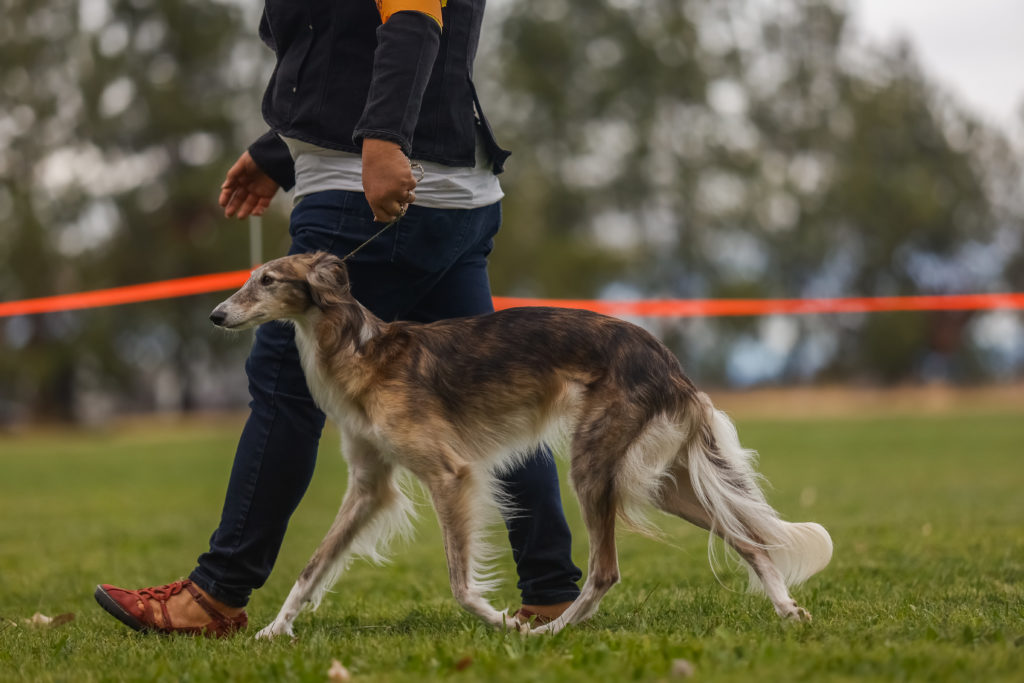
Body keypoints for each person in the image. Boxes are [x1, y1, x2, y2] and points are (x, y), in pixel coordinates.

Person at [94, 0, 581, 636]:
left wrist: (383, 144)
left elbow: (411, 15)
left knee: (283, 390)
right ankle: (551, 590)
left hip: (366, 191)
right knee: (487, 390)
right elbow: (346, 46)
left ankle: (213, 598)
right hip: (456, 190)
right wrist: (280, 149)